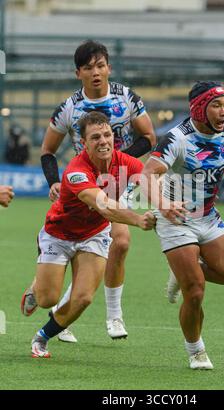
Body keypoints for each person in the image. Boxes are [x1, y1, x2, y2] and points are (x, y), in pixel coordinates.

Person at [21, 40, 156, 342]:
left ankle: (114, 314)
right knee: (83, 238)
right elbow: (47, 150)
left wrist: (118, 164)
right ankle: (47, 289)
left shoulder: (127, 99)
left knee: (120, 242)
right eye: (88, 67)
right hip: (83, 181)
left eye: (100, 65)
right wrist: (54, 180)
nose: (96, 72)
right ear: (78, 73)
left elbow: (149, 137)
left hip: (117, 177)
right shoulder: (69, 107)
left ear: (109, 67)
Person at [141, 81, 224, 370]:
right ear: (199, 109)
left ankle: (182, 271)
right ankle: (196, 350)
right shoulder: (177, 138)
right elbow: (147, 175)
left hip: (208, 216)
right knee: (196, 290)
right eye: (215, 105)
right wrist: (163, 205)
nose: (223, 111)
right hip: (175, 219)